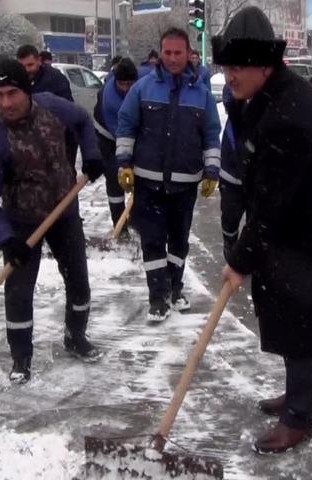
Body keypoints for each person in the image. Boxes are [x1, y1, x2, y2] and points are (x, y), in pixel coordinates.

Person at [212, 6, 312, 454]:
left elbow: (272, 204)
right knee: (294, 317)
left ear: (266, 64)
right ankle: (304, 394)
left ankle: (299, 417)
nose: (230, 76)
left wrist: (240, 258)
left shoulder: (289, 113)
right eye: (227, 66)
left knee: (304, 318)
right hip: (301, 228)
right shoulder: (268, 97)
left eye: (239, 67)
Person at [0, 59, 105, 385]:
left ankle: (76, 336)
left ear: (27, 91)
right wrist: (6, 238)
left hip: (64, 210)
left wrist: (91, 154)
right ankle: (21, 357)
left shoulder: (51, 107)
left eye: (12, 93)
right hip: (21, 222)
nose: (6, 103)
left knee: (78, 280)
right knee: (18, 293)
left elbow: (84, 120)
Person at [116, 28, 221, 322]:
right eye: (168, 52)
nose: (173, 58)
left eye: (178, 52)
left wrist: (212, 170)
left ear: (188, 54)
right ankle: (157, 298)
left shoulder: (201, 94)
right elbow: (126, 126)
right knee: (152, 240)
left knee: (178, 242)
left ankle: (175, 289)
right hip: (148, 180)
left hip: (185, 183)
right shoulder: (143, 88)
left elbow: (212, 134)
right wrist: (124, 163)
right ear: (160, 53)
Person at [94, 58, 138, 230]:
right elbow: (120, 132)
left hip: (129, 134)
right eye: (122, 84)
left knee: (140, 177)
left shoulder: (141, 88)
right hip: (107, 137)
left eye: (130, 83)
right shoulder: (110, 97)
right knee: (115, 177)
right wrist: (125, 163)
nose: (126, 88)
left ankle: (136, 221)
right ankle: (120, 226)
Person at [17, 44, 78, 167]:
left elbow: (67, 111)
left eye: (30, 65)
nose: (27, 70)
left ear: (39, 60)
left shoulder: (55, 79)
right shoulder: (19, 80)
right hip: (33, 141)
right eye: (23, 66)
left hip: (60, 139)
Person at [218, 85, 244, 260]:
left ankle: (252, 255)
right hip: (231, 175)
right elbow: (229, 94)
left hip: (257, 180)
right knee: (230, 216)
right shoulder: (235, 120)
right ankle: (230, 244)